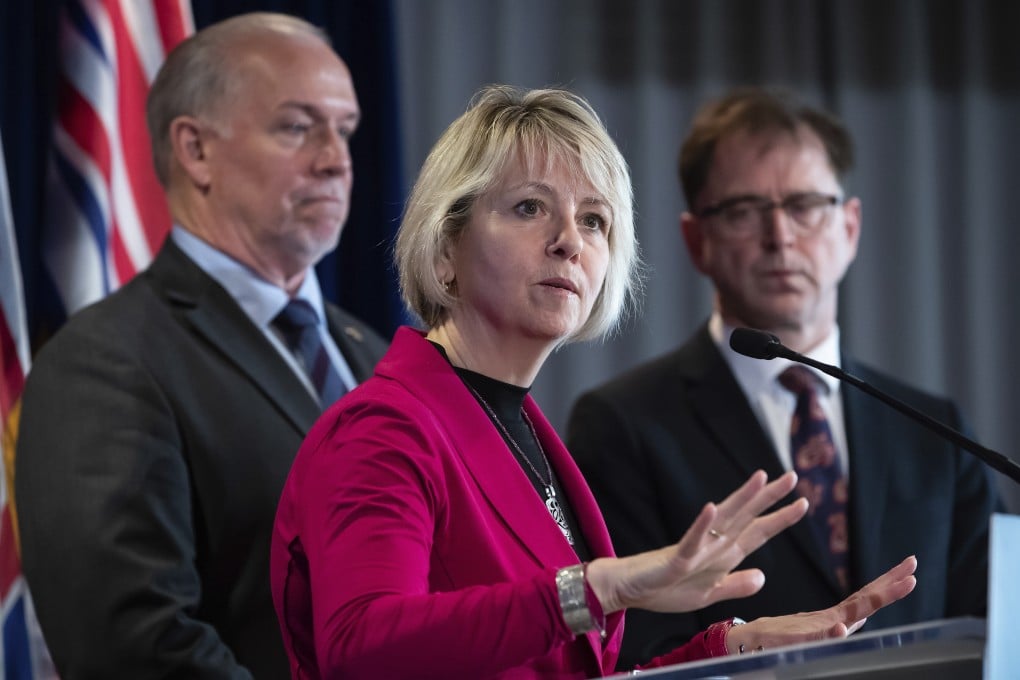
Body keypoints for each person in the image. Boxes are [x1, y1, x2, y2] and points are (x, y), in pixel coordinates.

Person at [271, 84, 918, 679]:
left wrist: (734, 647)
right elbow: (361, 647)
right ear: (445, 249)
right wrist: (599, 587)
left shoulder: (522, 433)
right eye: (529, 207)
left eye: (594, 220)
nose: (568, 242)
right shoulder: (384, 427)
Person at [566, 87, 999, 669]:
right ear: (697, 241)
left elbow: (996, 627)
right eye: (744, 211)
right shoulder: (623, 426)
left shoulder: (936, 432)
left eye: (805, 205)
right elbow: (631, 652)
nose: (780, 237)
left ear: (849, 226)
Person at [15, 13, 388, 678]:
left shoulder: (374, 354)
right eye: (298, 127)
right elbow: (132, 644)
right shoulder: (105, 362)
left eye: (346, 129)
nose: (337, 159)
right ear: (195, 150)